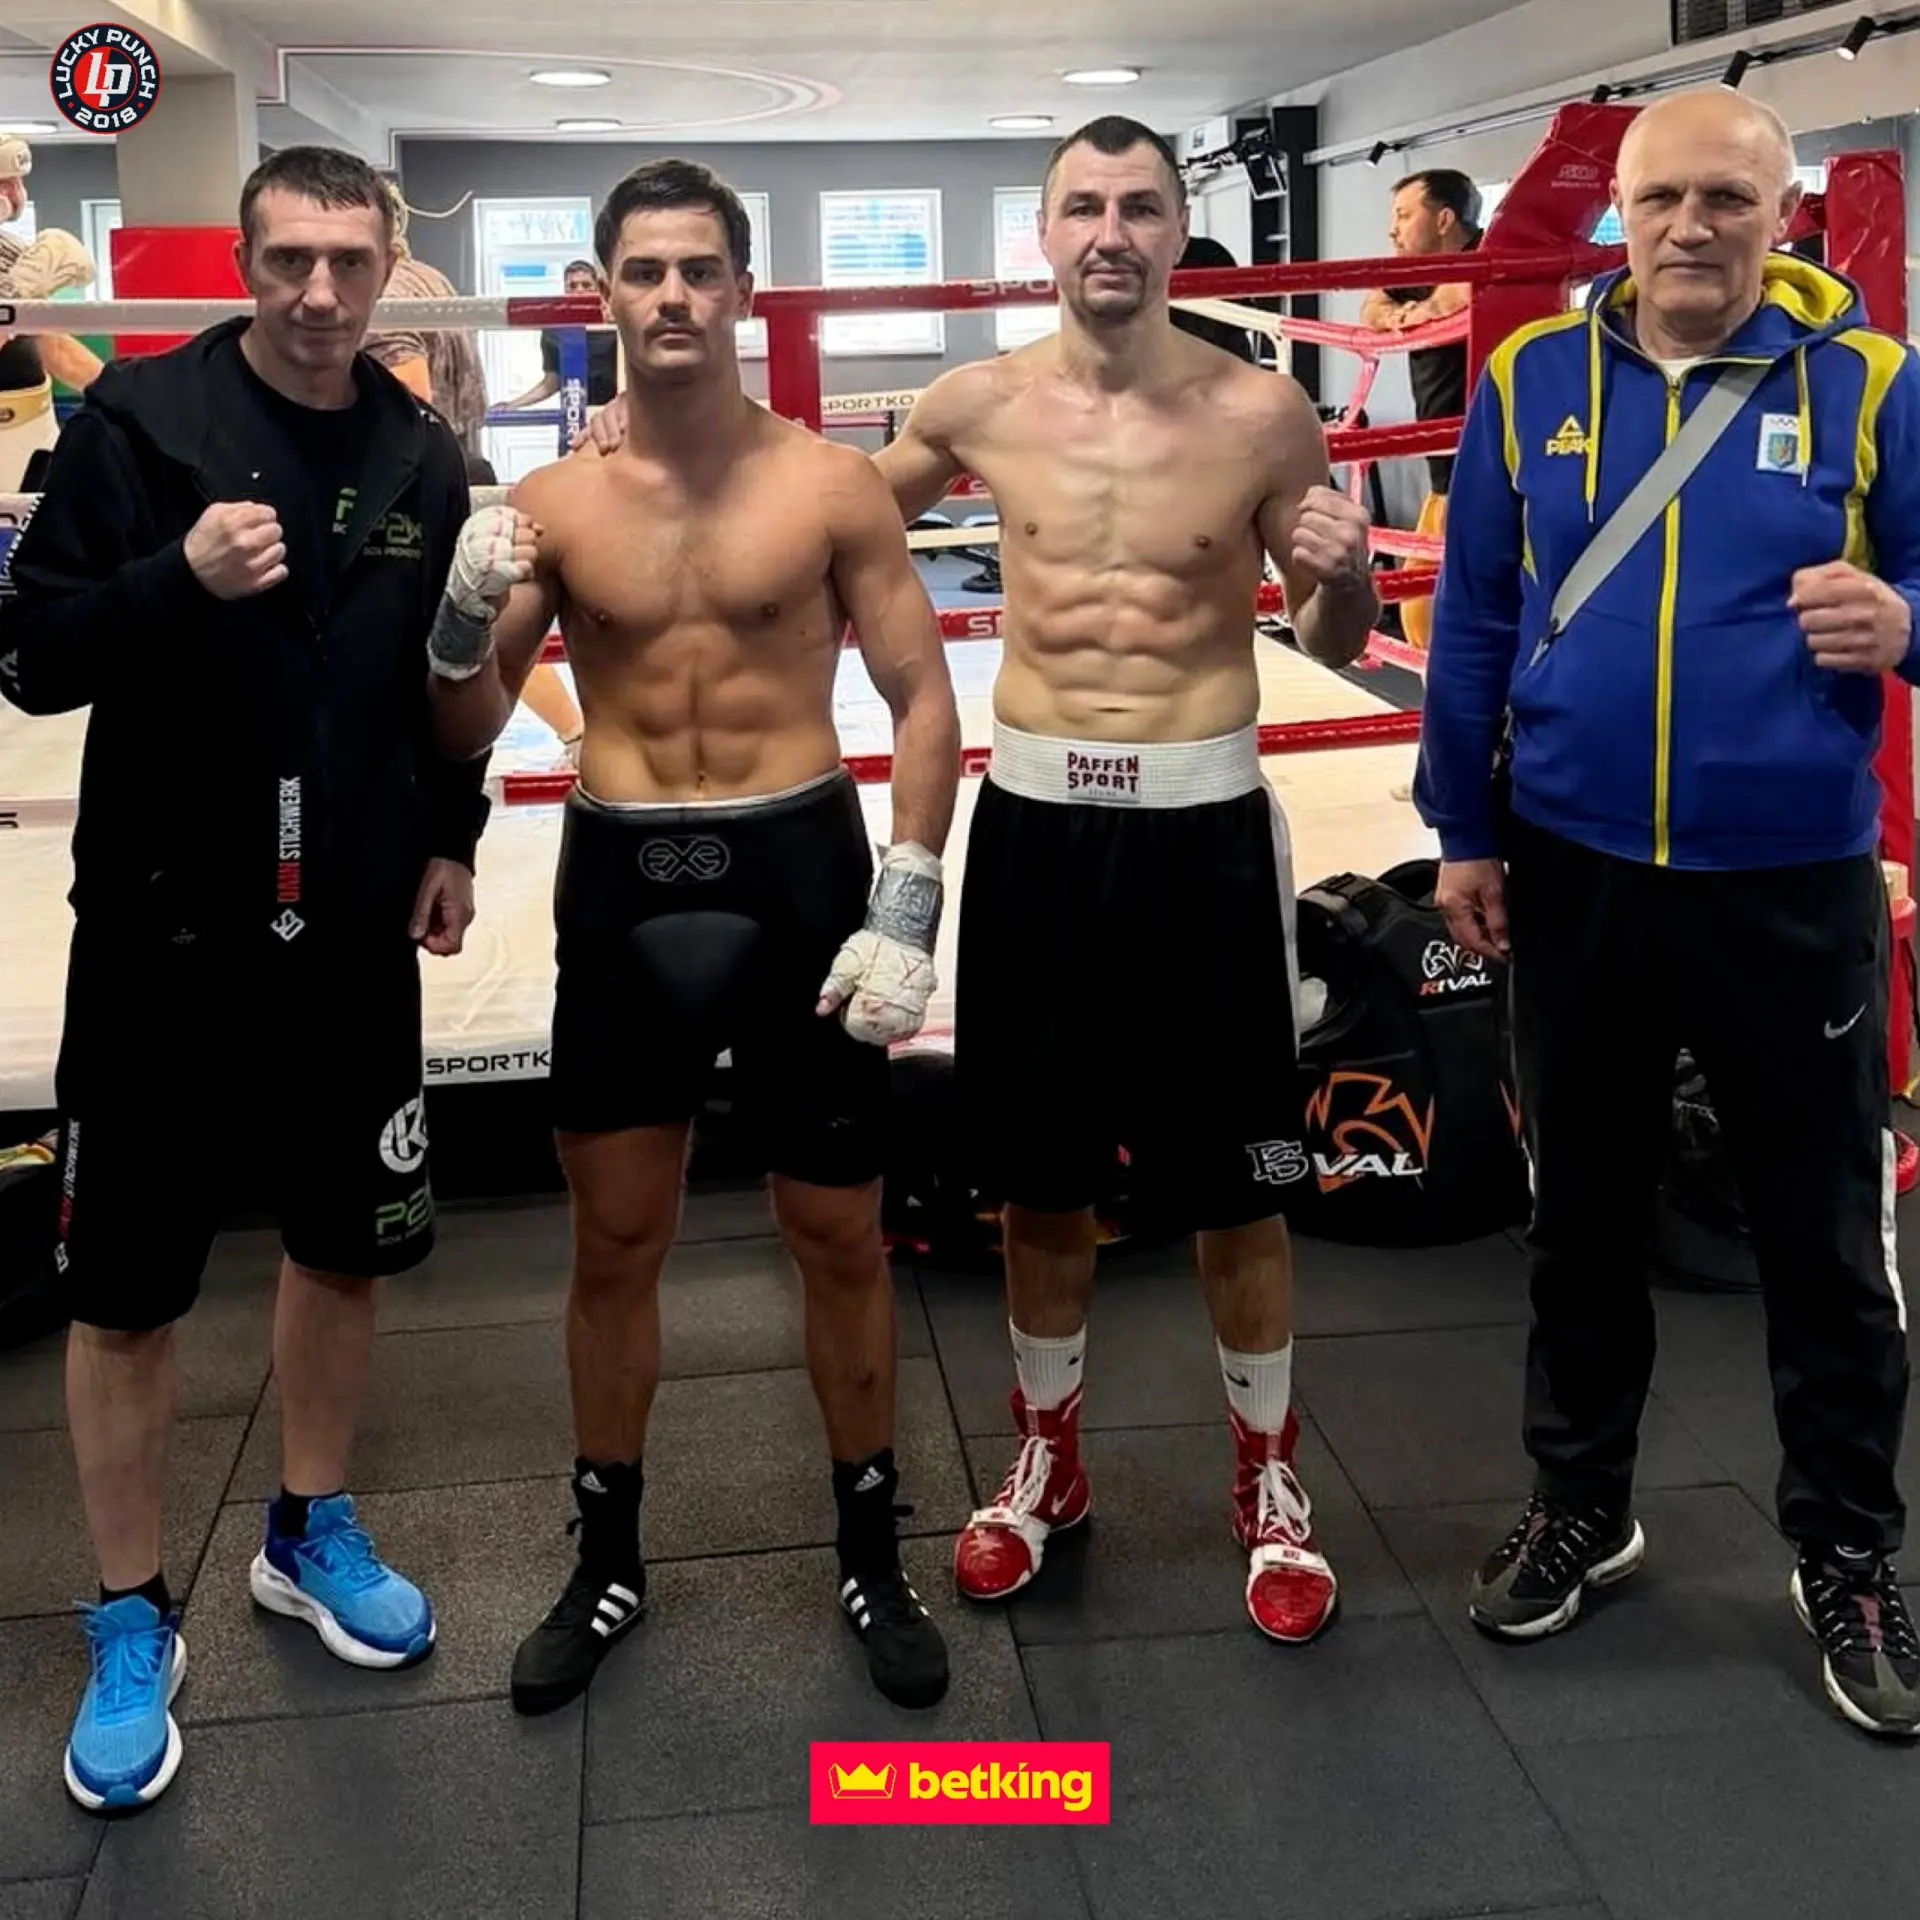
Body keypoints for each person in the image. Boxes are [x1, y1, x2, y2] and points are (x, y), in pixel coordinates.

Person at [426, 158, 963, 1715]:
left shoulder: (830, 485)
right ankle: (606, 1561)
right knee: (612, 1242)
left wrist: (908, 895)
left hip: (802, 872)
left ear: (742, 290)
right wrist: (458, 622)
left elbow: (924, 697)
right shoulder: (551, 504)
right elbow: (461, 723)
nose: (672, 295)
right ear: (602, 291)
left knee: (841, 1234)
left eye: (699, 269)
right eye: (644, 270)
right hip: (623, 881)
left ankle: (870, 1551)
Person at [1417, 89, 1920, 1737]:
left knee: (1822, 1239)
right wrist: (1463, 828)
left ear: (1781, 214)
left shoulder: (1872, 384)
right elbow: (1474, 616)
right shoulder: (1529, 381)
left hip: (1790, 878)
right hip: (1576, 867)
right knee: (1580, 1218)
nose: (1692, 227)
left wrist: (1903, 620)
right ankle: (1584, 1500)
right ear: (1618, 214)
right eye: (1661, 199)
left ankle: (1846, 1547)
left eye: (1727, 198)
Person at [0, 145, 491, 1811]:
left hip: (348, 927)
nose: (320, 293)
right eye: (289, 259)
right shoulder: (141, 423)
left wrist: (455, 835)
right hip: (164, 932)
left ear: (388, 266)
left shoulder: (420, 453)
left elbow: (439, 677)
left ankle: (306, 1528)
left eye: (350, 261)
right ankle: (130, 1610)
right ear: (243, 260)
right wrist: (174, 579)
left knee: (344, 1247)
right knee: (123, 1293)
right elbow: (30, 654)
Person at [874, 116, 1378, 1643]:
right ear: (1044, 233)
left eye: (1142, 205)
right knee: (1039, 1176)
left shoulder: (1261, 410)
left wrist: (1346, 570)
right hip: (1037, 827)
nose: (1112, 231)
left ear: (1174, 230)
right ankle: (1047, 1463)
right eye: (1084, 205)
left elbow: (1333, 637)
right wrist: (645, 436)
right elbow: (819, 515)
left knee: (1238, 1184)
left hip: (1201, 829)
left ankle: (1268, 1480)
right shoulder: (977, 401)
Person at [1359, 169, 1482, 649]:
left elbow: (1461, 295)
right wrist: (1400, 315)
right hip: (1443, 471)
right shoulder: (1416, 271)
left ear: (1445, 219)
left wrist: (1420, 314)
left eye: (1404, 215)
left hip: (1485, 464)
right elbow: (1371, 307)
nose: (1393, 230)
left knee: (1440, 608)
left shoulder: (1487, 253)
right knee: (1422, 611)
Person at [0, 132, 105, 492]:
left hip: (33, 428)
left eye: (17, 182)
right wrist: (13, 297)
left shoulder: (11, 254)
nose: (14, 195)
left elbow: (52, 346)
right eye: (3, 183)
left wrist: (124, 394)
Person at [501, 258, 621, 411]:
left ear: (597, 289)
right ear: (565, 291)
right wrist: (512, 405)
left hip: (619, 410)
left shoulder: (615, 325)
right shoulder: (554, 332)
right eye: (572, 286)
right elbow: (551, 383)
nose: (579, 291)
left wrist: (618, 321)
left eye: (586, 285)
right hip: (575, 413)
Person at [1169, 234, 1258, 363]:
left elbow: (1243, 315)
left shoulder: (1210, 251)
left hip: (1218, 351)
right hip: (1219, 353)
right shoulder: (1211, 250)